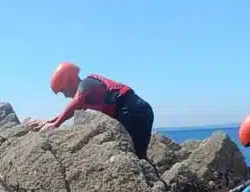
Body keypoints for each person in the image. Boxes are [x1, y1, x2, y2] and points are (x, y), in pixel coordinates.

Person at [26, 62, 155, 159]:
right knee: (136, 155)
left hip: (134, 112)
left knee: (132, 155)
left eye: (63, 90)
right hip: (136, 111)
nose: (64, 95)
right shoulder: (88, 91)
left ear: (70, 80)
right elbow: (74, 107)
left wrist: (55, 125)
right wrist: (49, 121)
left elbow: (76, 103)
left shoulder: (87, 84)